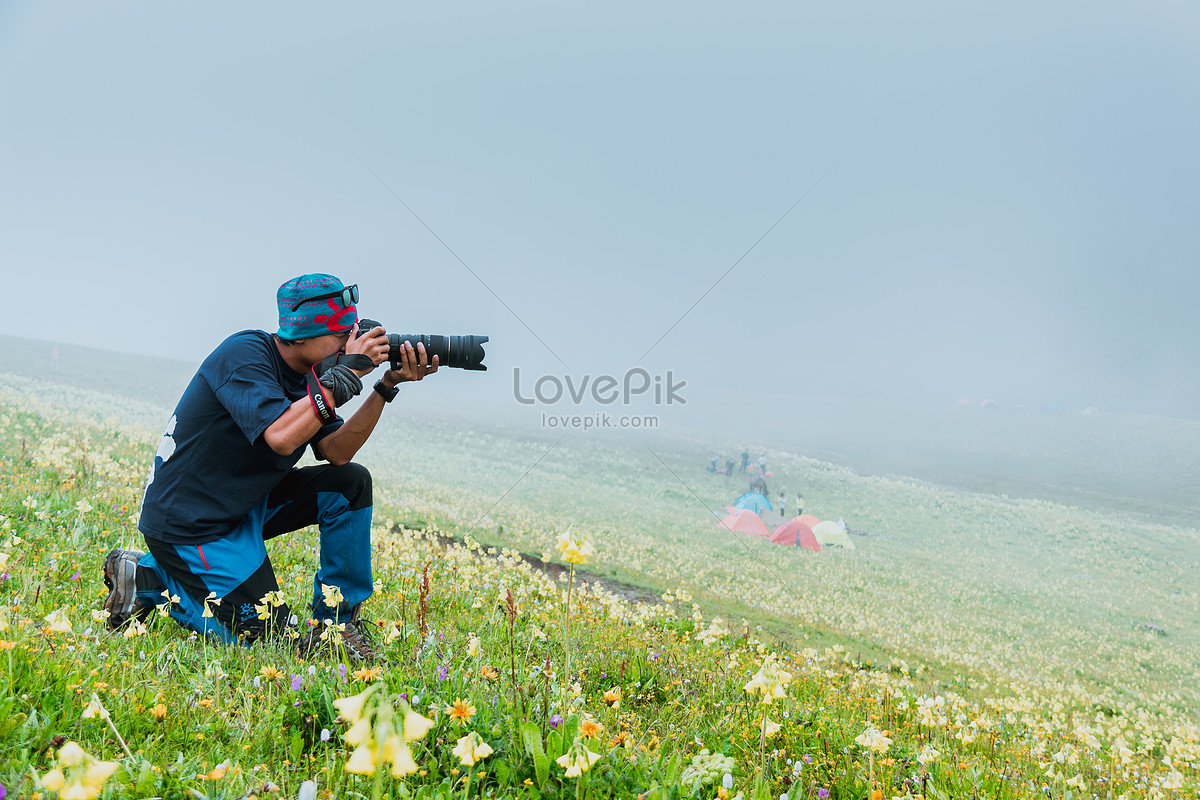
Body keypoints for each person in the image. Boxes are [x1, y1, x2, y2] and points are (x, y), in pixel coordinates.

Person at [100, 274, 439, 661]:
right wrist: (346, 374)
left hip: (243, 504)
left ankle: (336, 627)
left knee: (349, 484)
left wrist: (385, 386)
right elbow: (280, 436)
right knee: (268, 641)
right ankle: (146, 578)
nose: (350, 343)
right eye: (342, 335)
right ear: (306, 333)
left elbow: (336, 451)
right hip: (191, 522)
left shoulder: (315, 375)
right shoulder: (245, 354)